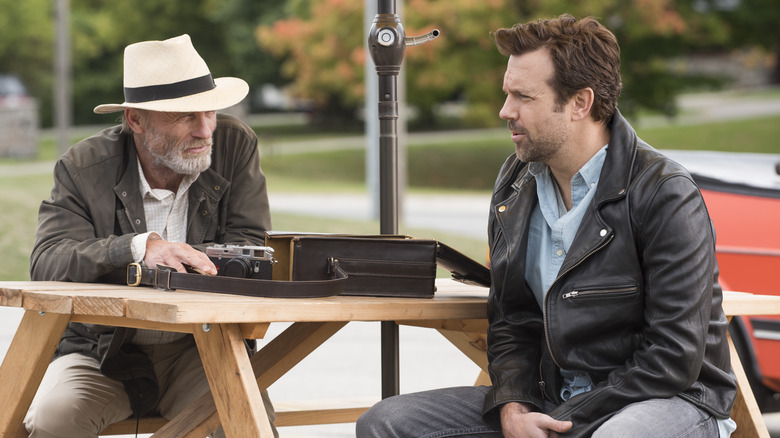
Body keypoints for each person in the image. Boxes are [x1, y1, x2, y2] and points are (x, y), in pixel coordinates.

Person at [357, 14, 737, 438]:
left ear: (580, 103)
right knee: (386, 424)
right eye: (507, 94)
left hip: (668, 399)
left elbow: (673, 357)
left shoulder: (665, 193)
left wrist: (569, 419)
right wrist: (514, 408)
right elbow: (511, 322)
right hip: (549, 395)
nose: (506, 111)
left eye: (524, 97)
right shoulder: (515, 184)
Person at [26, 34, 276, 438]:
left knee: (246, 419)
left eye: (209, 111)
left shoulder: (234, 144)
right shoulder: (82, 165)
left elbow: (249, 242)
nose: (205, 129)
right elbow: (47, 260)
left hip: (200, 348)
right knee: (55, 420)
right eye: (184, 116)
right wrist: (140, 249)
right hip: (101, 352)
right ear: (136, 120)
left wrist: (182, 265)